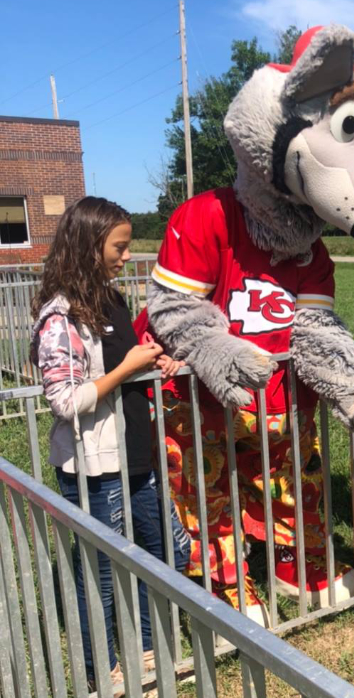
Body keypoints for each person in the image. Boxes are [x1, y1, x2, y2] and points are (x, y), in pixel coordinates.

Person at [30, 196, 191, 690]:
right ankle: (103, 667)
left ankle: (144, 645)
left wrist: (155, 363)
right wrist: (127, 369)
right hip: (94, 466)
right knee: (99, 575)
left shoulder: (113, 300)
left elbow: (123, 368)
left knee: (169, 549)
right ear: (89, 244)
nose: (127, 255)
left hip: (135, 453)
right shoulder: (59, 317)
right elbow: (63, 400)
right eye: (119, 246)